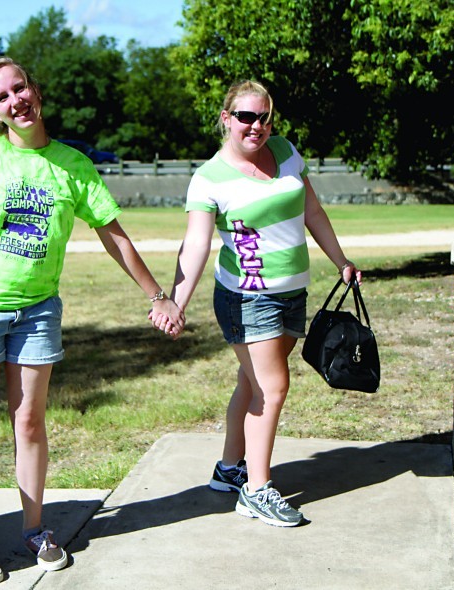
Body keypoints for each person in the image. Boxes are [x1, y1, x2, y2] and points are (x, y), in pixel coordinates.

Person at [0, 56, 184, 586]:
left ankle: (35, 529)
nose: (16, 101)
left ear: (36, 90)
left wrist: (158, 295)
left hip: (37, 310)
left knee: (29, 422)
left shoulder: (73, 165)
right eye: (2, 98)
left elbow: (113, 234)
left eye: (20, 88)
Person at [166, 80, 362, 527]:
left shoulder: (286, 151)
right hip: (246, 298)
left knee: (251, 385)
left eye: (264, 117)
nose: (256, 126)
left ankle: (229, 469)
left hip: (292, 293)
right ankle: (255, 489)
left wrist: (341, 260)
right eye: (246, 117)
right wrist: (176, 301)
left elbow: (312, 212)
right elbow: (195, 244)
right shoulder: (209, 178)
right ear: (226, 118)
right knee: (271, 389)